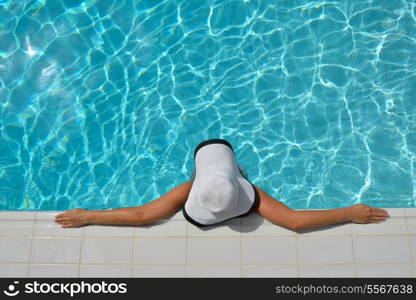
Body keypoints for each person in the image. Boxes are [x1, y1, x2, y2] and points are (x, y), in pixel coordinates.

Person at [55, 139, 389, 230]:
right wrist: (350, 212)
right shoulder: (252, 194)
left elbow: (143, 216)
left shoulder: (188, 191)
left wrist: (88, 216)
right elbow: (295, 221)